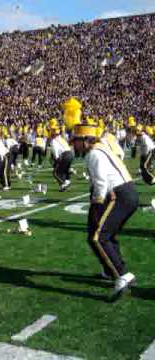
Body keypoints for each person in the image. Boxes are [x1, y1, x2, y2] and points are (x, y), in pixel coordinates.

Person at [72, 123, 138, 300]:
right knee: (106, 234)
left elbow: (101, 182)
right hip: (127, 192)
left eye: (76, 141)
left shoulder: (93, 153)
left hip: (118, 195)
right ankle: (113, 270)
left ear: (86, 140)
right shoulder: (101, 148)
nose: (73, 144)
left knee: (98, 236)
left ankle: (121, 275)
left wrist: (96, 204)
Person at [49, 122, 73, 191]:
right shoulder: (62, 138)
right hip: (70, 154)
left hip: (65, 155)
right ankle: (65, 183)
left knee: (55, 173)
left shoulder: (53, 141)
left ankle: (63, 184)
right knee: (64, 170)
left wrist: (56, 161)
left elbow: (56, 154)